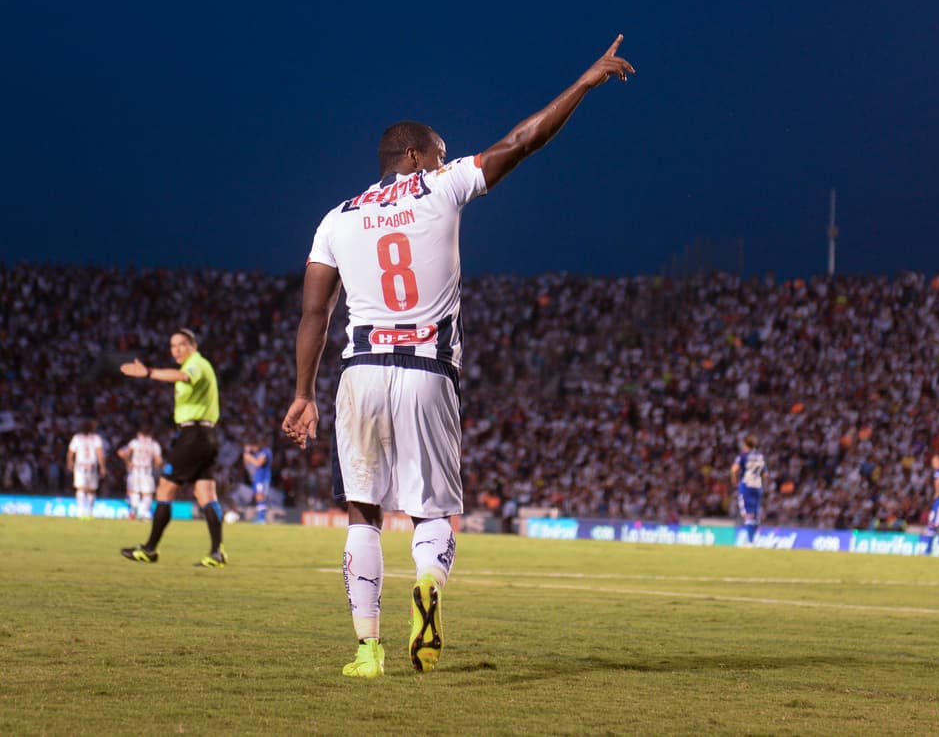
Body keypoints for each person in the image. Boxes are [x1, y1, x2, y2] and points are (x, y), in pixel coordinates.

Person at [282, 35, 634, 678]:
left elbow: (314, 314)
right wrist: (583, 83)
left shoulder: (335, 218)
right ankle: (429, 591)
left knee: (362, 511)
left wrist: (303, 393)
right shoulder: (438, 186)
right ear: (415, 155)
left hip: (358, 371)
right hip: (426, 369)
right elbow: (522, 142)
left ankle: (367, 651)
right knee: (432, 511)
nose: (446, 160)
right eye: (440, 152)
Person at [118, 328, 228, 567]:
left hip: (194, 435)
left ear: (193, 346)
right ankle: (217, 553)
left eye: (181, 344)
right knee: (206, 494)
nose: (176, 350)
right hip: (206, 434)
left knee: (165, 489)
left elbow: (184, 377)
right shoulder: (194, 364)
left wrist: (148, 372)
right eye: (172, 346)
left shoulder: (197, 364)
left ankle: (149, 549)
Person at [731, 434, 769, 545]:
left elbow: (734, 469)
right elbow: (766, 474)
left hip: (746, 485)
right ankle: (755, 537)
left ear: (745, 444)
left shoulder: (743, 456)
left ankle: (750, 540)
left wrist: (735, 481)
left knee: (747, 514)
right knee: (755, 513)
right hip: (757, 487)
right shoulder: (760, 456)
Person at [118, 428, 163, 520]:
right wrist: (158, 466)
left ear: (139, 433)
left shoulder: (135, 442)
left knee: (134, 492)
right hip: (147, 471)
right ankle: (143, 513)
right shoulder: (154, 444)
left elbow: (122, 453)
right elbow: (159, 461)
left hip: (135, 470)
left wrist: (128, 462)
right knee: (147, 494)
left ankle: (133, 512)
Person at [66, 420, 107, 519]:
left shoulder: (77, 438)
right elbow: (100, 454)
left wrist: (69, 462)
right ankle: (89, 512)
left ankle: (80, 512)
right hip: (92, 466)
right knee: (91, 490)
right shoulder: (96, 438)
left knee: (80, 488)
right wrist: (102, 467)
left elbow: (70, 452)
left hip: (80, 466)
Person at [243, 439, 273, 523]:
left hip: (262, 478)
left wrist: (249, 457)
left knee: (260, 496)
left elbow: (259, 463)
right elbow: (245, 462)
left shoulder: (266, 451)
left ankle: (262, 518)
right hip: (256, 478)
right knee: (258, 497)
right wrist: (246, 452)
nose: (253, 447)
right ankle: (260, 517)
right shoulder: (256, 453)